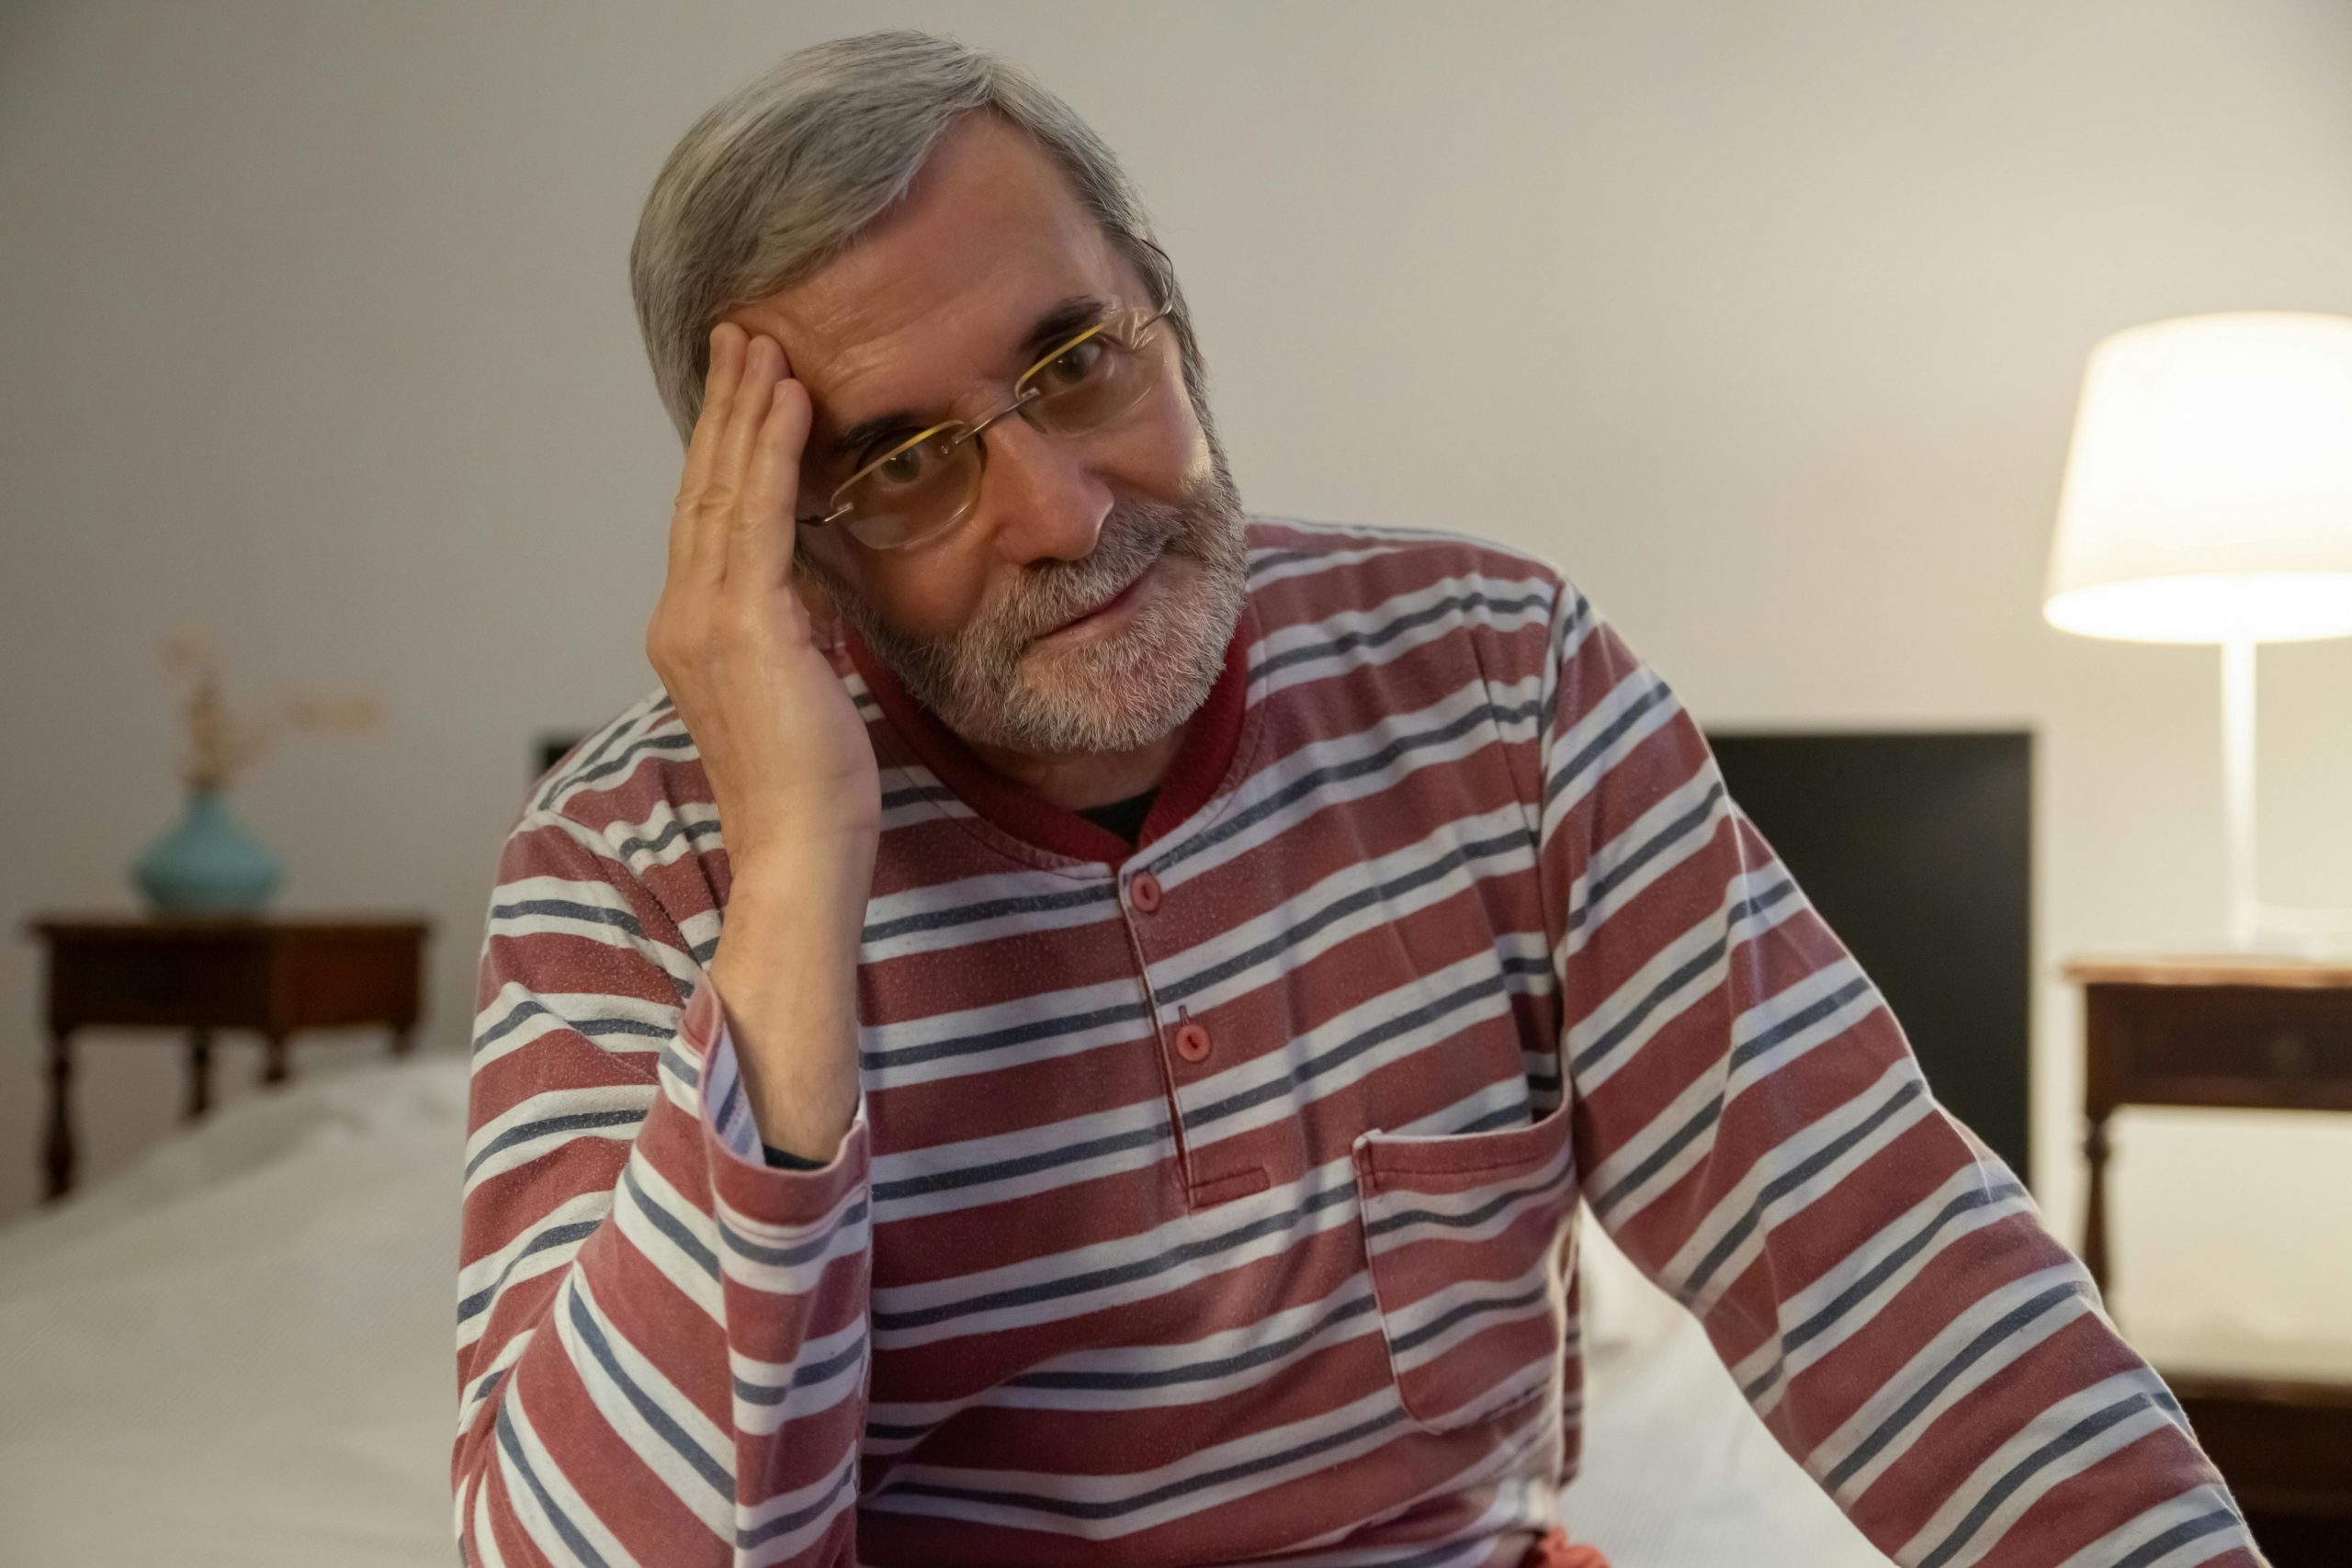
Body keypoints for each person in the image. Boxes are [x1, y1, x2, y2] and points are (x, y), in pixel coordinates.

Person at [454, 28, 2260, 1568]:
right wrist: (791, 879)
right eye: (910, 463)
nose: (1064, 512)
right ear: (795, 542)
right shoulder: (626, 863)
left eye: (1076, 362)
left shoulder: (1503, 682)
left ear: (1172, 314)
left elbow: (1881, 1261)